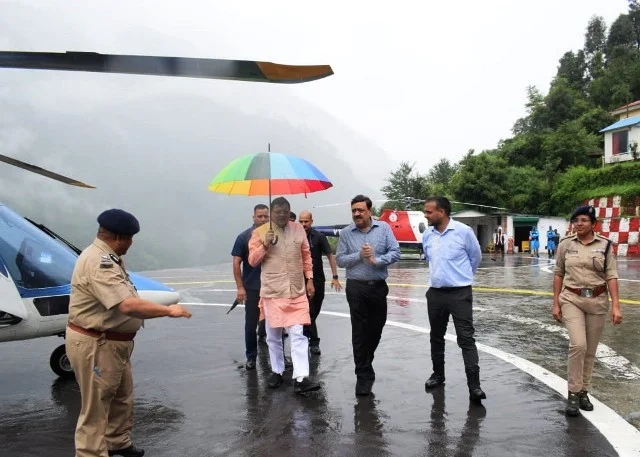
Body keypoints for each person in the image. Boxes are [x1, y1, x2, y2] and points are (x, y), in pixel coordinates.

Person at [66, 209, 192, 457]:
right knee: (95, 407)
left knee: (121, 397)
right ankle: (90, 453)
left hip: (113, 344)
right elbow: (127, 305)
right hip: (96, 344)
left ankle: (117, 443)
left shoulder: (110, 256)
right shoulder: (98, 261)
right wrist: (168, 311)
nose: (131, 244)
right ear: (120, 237)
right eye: (130, 238)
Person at [552, 205, 622, 417]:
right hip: (571, 298)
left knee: (590, 351)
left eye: (583, 220)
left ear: (593, 224)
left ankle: (584, 391)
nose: (579, 224)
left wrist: (616, 305)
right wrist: (556, 303)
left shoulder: (606, 245)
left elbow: (611, 275)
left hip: (598, 301)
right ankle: (573, 393)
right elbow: (558, 274)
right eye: (576, 220)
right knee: (578, 345)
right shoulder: (565, 245)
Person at [248, 197, 320, 394]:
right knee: (273, 336)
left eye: (285, 211)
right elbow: (252, 261)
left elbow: (306, 255)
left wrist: (310, 279)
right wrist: (265, 245)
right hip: (273, 291)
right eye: (278, 211)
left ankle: (300, 377)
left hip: (296, 290)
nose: (281, 214)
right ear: (271, 212)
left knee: (298, 334)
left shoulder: (298, 229)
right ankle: (277, 371)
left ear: (289, 212)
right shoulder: (259, 233)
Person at [421, 197, 486, 403]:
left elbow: (476, 258)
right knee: (436, 336)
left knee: (466, 338)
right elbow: (430, 259)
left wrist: (463, 277)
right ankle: (438, 375)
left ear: (441, 212)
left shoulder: (463, 232)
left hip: (460, 293)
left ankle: (474, 386)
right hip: (436, 294)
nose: (426, 215)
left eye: (429, 212)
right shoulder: (427, 235)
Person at [336, 194, 400, 396]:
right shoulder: (346, 233)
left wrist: (377, 260)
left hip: (378, 287)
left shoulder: (384, 229)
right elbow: (340, 260)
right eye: (354, 210)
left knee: (376, 328)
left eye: (360, 210)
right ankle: (362, 375)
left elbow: (396, 252)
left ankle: (366, 361)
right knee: (359, 331)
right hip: (356, 288)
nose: (356, 214)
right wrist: (359, 256)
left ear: (369, 211)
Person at [298, 210, 342, 355]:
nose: (303, 224)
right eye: (301, 221)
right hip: (301, 280)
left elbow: (330, 255)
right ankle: (314, 342)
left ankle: (305, 331)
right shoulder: (295, 237)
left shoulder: (319, 237)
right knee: (309, 312)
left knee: (315, 310)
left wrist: (335, 276)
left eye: (306, 221)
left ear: (312, 221)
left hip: (318, 279)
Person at [231, 204, 269, 370]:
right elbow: (236, 263)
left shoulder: (275, 235)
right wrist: (240, 287)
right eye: (259, 216)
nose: (262, 219)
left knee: (277, 323)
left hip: (273, 287)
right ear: (253, 217)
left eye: (265, 216)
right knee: (251, 323)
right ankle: (251, 356)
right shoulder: (244, 237)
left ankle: (280, 357)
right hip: (253, 287)